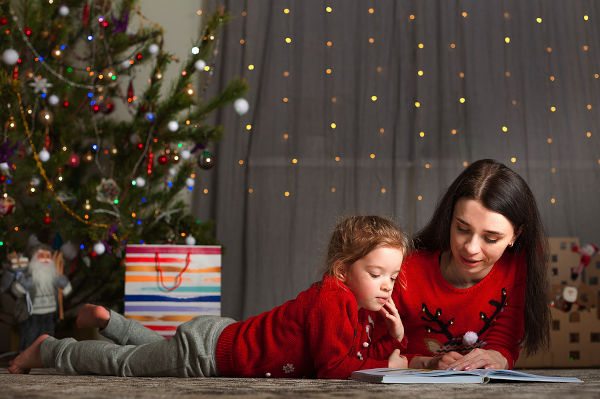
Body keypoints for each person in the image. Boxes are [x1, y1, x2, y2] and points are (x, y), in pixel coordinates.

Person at [9, 215, 410, 378]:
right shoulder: (333, 297)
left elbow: (356, 353)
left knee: (159, 353)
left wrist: (393, 336)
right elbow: (334, 369)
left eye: (392, 276)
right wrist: (390, 367)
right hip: (207, 354)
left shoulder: (357, 307)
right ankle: (48, 349)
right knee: (125, 365)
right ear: (343, 270)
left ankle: (111, 321)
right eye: (376, 274)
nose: (387, 285)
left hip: (217, 340)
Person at [375, 159, 550, 371]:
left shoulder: (517, 267)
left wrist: (497, 358)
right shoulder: (403, 272)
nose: (471, 248)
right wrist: (425, 363)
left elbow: (504, 342)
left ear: (516, 235)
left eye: (491, 238)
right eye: (462, 229)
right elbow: (372, 350)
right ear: (449, 219)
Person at [11, 245, 72, 351]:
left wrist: (65, 284)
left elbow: (66, 292)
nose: (45, 259)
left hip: (50, 313)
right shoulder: (28, 275)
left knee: (48, 336)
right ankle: (25, 358)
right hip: (32, 314)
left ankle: (45, 359)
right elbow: (16, 291)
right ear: (34, 259)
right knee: (30, 335)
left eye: (47, 256)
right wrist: (24, 285)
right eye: (41, 255)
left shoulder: (54, 276)